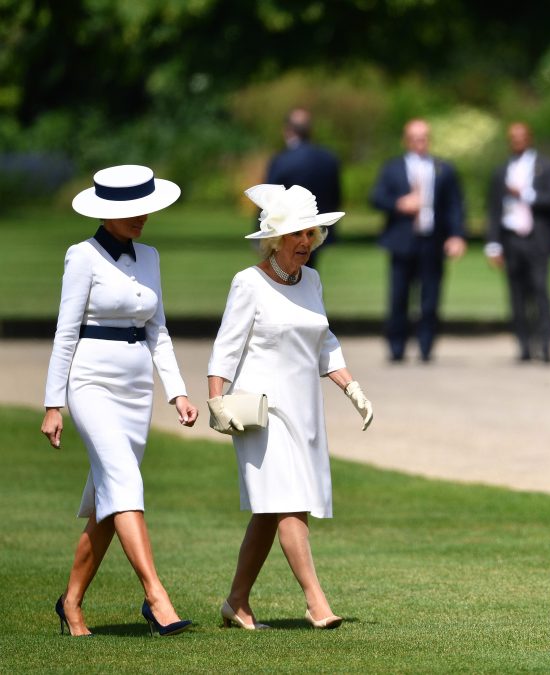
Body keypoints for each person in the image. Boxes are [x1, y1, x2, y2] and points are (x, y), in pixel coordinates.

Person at [40, 164, 198, 637]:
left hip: (136, 390)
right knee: (125, 482)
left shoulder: (149, 255)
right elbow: (66, 331)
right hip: (89, 383)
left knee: (108, 502)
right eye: (130, 210)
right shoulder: (81, 256)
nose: (141, 217)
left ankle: (70, 603)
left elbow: (158, 330)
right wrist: (53, 403)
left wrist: (178, 391)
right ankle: (156, 596)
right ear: (106, 212)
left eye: (145, 208)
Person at [207, 184, 374, 631]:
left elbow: (324, 342)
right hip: (261, 411)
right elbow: (225, 347)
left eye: (312, 233)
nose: (306, 242)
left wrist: (351, 386)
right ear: (276, 239)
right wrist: (214, 398)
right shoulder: (248, 282)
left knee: (270, 508)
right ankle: (316, 601)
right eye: (297, 234)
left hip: (304, 407)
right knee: (290, 503)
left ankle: (236, 602)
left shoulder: (313, 281)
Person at [370, 118, 467, 363]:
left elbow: (455, 205)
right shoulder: (392, 167)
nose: (419, 143)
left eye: (423, 138)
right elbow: (377, 197)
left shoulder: (443, 168)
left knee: (430, 297)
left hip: (432, 241)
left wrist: (456, 235)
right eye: (414, 138)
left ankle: (426, 347)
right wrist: (399, 204)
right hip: (402, 240)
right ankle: (396, 347)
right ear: (406, 140)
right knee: (399, 296)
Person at [484, 122, 550, 362]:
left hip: (537, 237)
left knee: (540, 291)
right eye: (513, 137)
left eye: (521, 137)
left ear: (529, 138)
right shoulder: (502, 171)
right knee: (516, 294)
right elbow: (494, 208)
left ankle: (546, 345)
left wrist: (528, 195)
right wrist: (493, 243)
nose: (517, 141)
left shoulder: (546, 166)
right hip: (511, 239)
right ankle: (524, 347)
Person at [265, 107, 342, 268]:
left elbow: (268, 198)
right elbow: (336, 196)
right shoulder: (328, 159)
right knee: (309, 274)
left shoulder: (282, 160)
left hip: (286, 230)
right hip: (317, 229)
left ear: (288, 130)